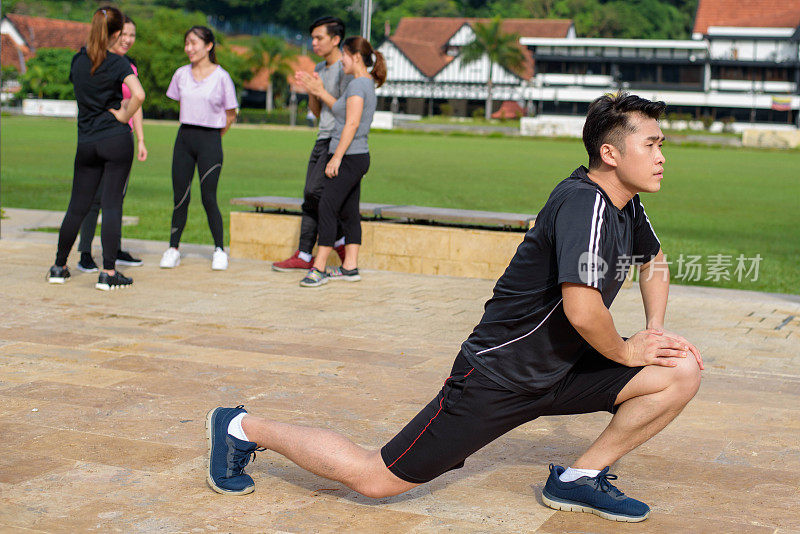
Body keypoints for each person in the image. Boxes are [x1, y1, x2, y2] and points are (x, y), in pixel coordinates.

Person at [204, 93, 704, 522]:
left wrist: (654, 332)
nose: (662, 155)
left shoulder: (625, 205)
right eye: (652, 144)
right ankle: (239, 427)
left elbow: (653, 259)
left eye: (662, 145)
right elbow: (582, 310)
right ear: (610, 153)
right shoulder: (584, 203)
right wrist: (626, 352)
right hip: (499, 376)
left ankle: (578, 478)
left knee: (679, 369)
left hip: (564, 369)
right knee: (376, 480)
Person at [47, 6, 145, 291]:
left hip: (86, 142)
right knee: (112, 205)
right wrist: (124, 116)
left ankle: (59, 266)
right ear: (115, 33)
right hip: (115, 139)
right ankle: (109, 273)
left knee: (77, 206)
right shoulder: (117, 63)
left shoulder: (78, 61)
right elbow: (138, 94)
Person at [294, 36, 385, 287]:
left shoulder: (357, 86)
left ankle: (319, 268)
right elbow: (341, 112)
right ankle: (350, 267)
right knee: (348, 210)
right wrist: (319, 91)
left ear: (355, 56)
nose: (341, 60)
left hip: (348, 156)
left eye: (344, 55)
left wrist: (336, 157)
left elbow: (352, 123)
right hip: (357, 155)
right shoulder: (363, 84)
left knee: (327, 206)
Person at [272, 16, 351, 273]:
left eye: (319, 38)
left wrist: (319, 89)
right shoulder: (321, 67)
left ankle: (335, 240)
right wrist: (310, 89)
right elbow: (317, 112)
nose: (314, 43)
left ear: (335, 39)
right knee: (309, 195)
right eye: (313, 38)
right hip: (321, 137)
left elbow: (347, 111)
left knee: (315, 193)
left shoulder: (346, 69)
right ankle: (306, 252)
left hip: (338, 141)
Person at [159, 26, 237, 271]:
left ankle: (219, 250)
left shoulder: (222, 77)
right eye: (186, 43)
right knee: (180, 197)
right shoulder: (181, 74)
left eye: (193, 43)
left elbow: (231, 113)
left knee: (208, 197)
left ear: (209, 46)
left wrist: (214, 136)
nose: (189, 48)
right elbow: (180, 101)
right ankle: (173, 249)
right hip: (184, 138)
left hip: (210, 140)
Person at [76, 14, 147, 273]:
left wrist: (140, 138)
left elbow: (135, 104)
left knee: (116, 198)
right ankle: (85, 252)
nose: (127, 39)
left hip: (122, 137)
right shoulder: (98, 61)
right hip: (99, 136)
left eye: (132, 35)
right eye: (124, 34)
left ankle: (113, 250)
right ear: (113, 33)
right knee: (92, 198)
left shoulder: (128, 65)